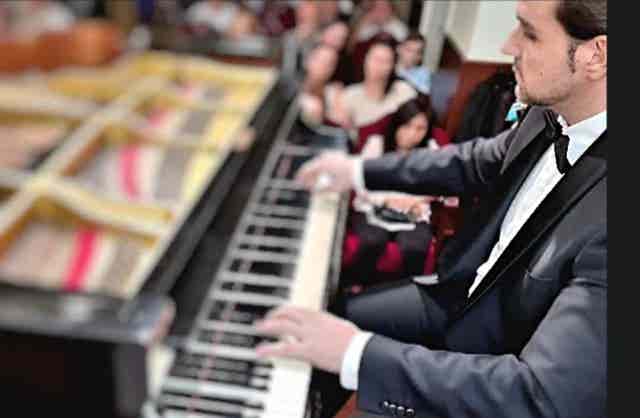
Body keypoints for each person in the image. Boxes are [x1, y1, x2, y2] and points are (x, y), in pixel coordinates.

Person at [255, 1, 607, 417]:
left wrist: (356, 355)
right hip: (459, 299)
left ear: (596, 55)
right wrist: (358, 171)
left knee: (348, 353)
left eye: (529, 34)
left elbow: (540, 396)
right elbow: (473, 161)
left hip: (499, 368)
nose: (507, 46)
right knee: (321, 319)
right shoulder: (549, 114)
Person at [346, 98, 438, 283]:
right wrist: (387, 201)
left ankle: (406, 291)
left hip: (413, 212)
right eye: (407, 126)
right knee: (372, 241)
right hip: (374, 208)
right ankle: (355, 286)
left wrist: (416, 201)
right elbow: (361, 182)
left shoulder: (431, 150)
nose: (412, 134)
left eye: (420, 129)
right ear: (397, 124)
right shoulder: (377, 144)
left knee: (415, 247)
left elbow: (441, 185)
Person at [332, 39, 416, 151]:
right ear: (365, 60)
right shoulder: (349, 95)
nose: (378, 65)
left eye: (385, 61)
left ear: (393, 66)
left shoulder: (403, 91)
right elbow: (344, 137)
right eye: (375, 59)